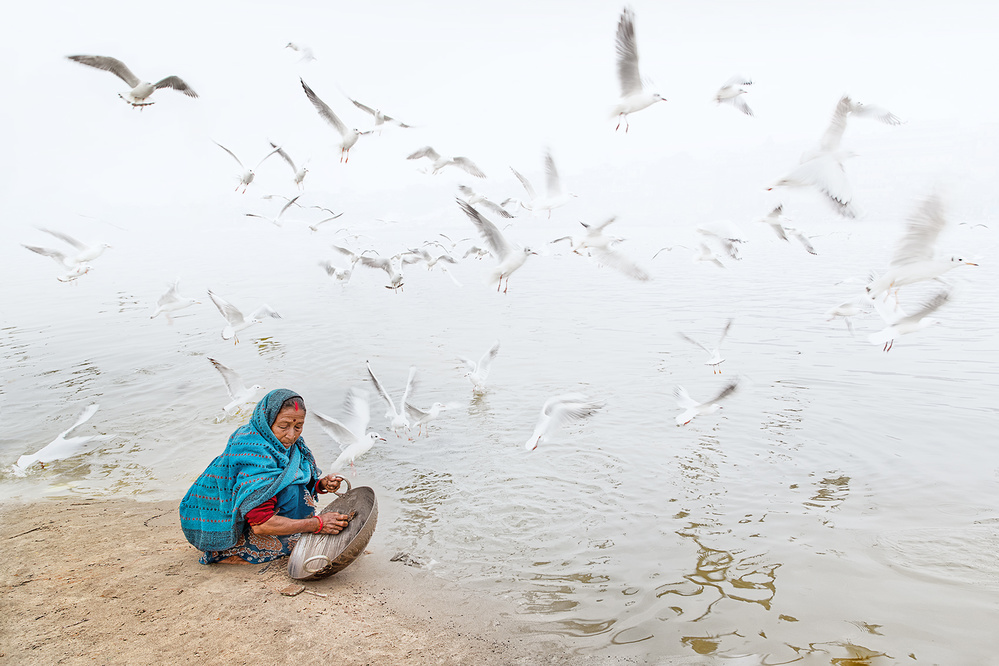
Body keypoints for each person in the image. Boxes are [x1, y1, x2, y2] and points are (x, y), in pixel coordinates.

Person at [180, 388, 351, 564]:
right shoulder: (251, 450)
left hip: (252, 516)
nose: (291, 435)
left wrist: (321, 485)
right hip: (216, 523)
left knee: (294, 491)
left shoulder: (290, 445)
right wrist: (317, 524)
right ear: (266, 422)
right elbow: (261, 525)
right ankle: (230, 553)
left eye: (298, 427)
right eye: (283, 426)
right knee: (291, 494)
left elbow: (290, 479)